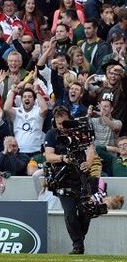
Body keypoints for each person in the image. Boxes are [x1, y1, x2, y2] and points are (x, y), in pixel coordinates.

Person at [43, 106, 98, 254]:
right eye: (59, 123)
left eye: (64, 123)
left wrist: (89, 162)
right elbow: (48, 156)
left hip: (81, 178)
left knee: (86, 213)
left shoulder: (80, 131)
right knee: (70, 213)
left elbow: (91, 149)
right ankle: (78, 246)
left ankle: (79, 239)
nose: (62, 127)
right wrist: (62, 158)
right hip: (63, 179)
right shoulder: (51, 134)